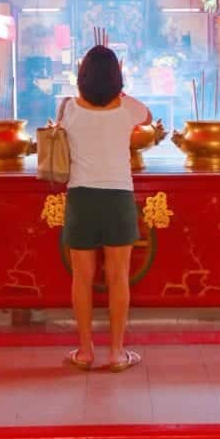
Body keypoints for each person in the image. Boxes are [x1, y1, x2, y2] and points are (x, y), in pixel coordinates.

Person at [59, 45, 151, 372]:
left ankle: (85, 352)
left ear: (82, 77)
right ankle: (116, 353)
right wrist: (118, 91)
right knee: (118, 277)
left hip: (81, 198)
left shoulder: (68, 108)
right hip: (118, 198)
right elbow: (149, 117)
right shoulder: (127, 108)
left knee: (82, 279)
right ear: (117, 77)